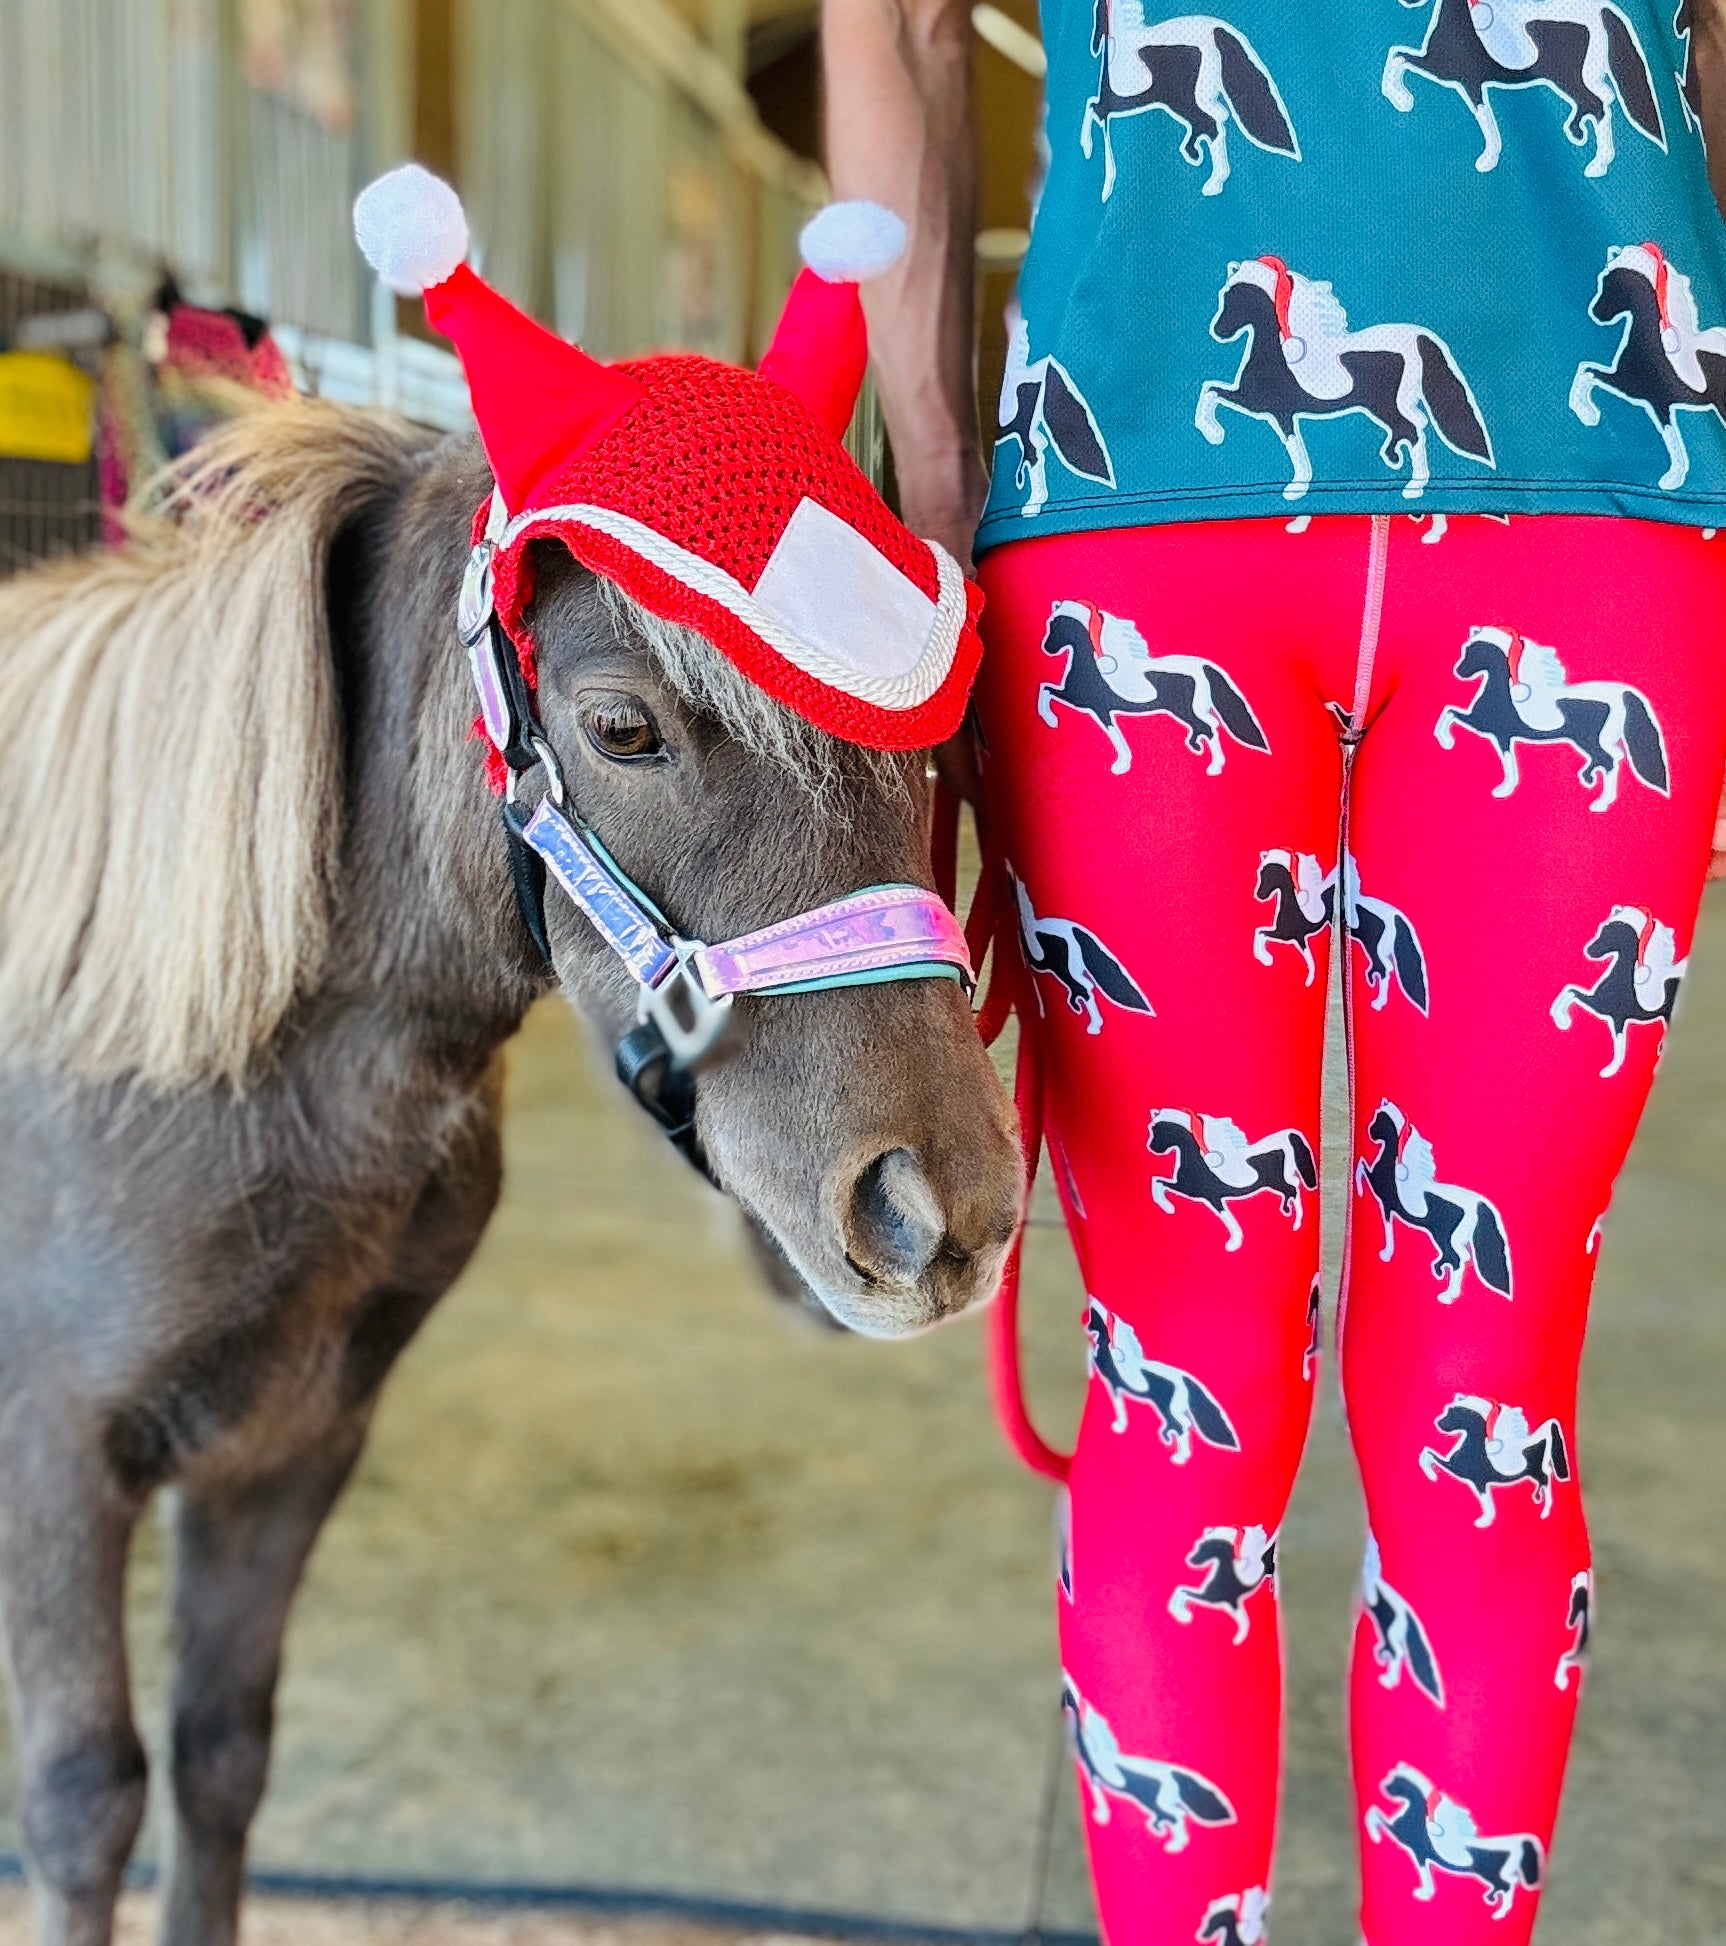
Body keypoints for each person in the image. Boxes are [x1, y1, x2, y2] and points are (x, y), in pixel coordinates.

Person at [821, 1, 1726, 1940]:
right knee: (1469, 1382)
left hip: (1149, 490)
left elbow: (892, 27)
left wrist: (934, 499)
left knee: (1189, 1376)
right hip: (1590, 493)